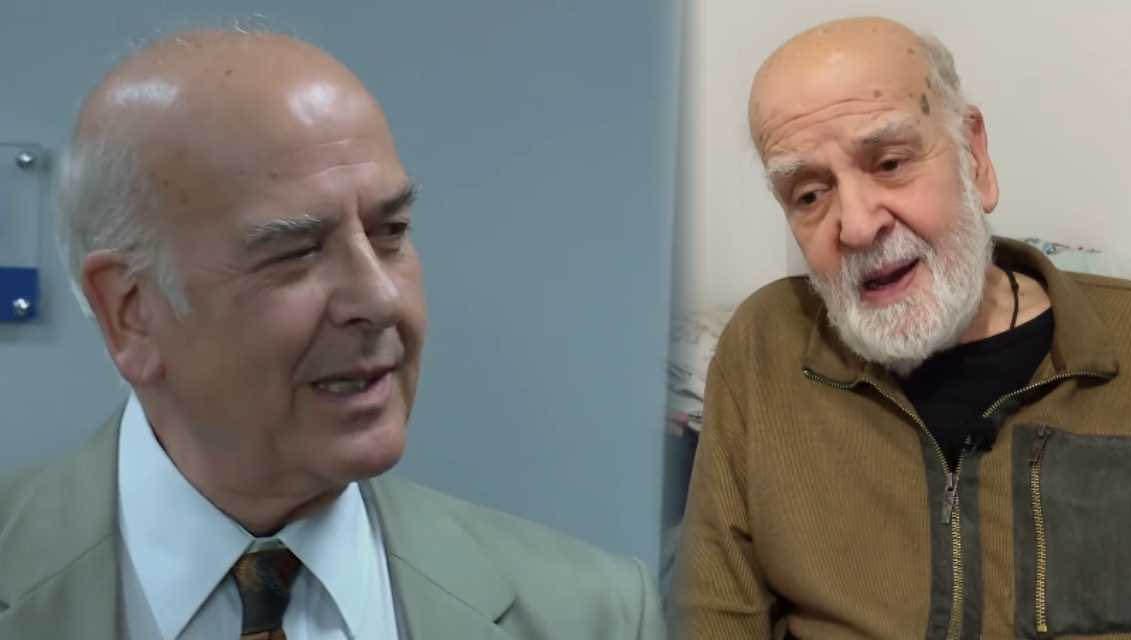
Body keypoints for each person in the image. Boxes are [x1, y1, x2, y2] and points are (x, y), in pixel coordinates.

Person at [0, 29, 662, 639]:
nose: (380, 298)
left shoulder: (596, 615)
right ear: (131, 311)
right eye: (297, 252)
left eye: (390, 233)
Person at [674, 16, 1131, 639]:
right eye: (808, 195)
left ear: (974, 156)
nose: (856, 225)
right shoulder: (765, 350)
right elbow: (713, 616)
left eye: (889, 162)